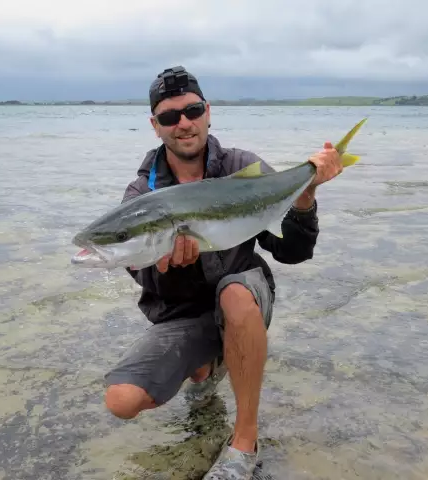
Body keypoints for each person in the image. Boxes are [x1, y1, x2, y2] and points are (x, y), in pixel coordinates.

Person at [102, 66, 343, 479]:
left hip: (244, 295)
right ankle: (209, 366)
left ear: (208, 112)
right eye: (168, 117)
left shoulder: (242, 168)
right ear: (154, 127)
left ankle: (244, 441)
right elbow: (147, 286)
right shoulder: (142, 196)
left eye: (192, 110)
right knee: (121, 400)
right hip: (185, 313)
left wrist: (305, 197)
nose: (183, 123)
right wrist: (163, 265)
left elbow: (293, 252)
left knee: (234, 293)